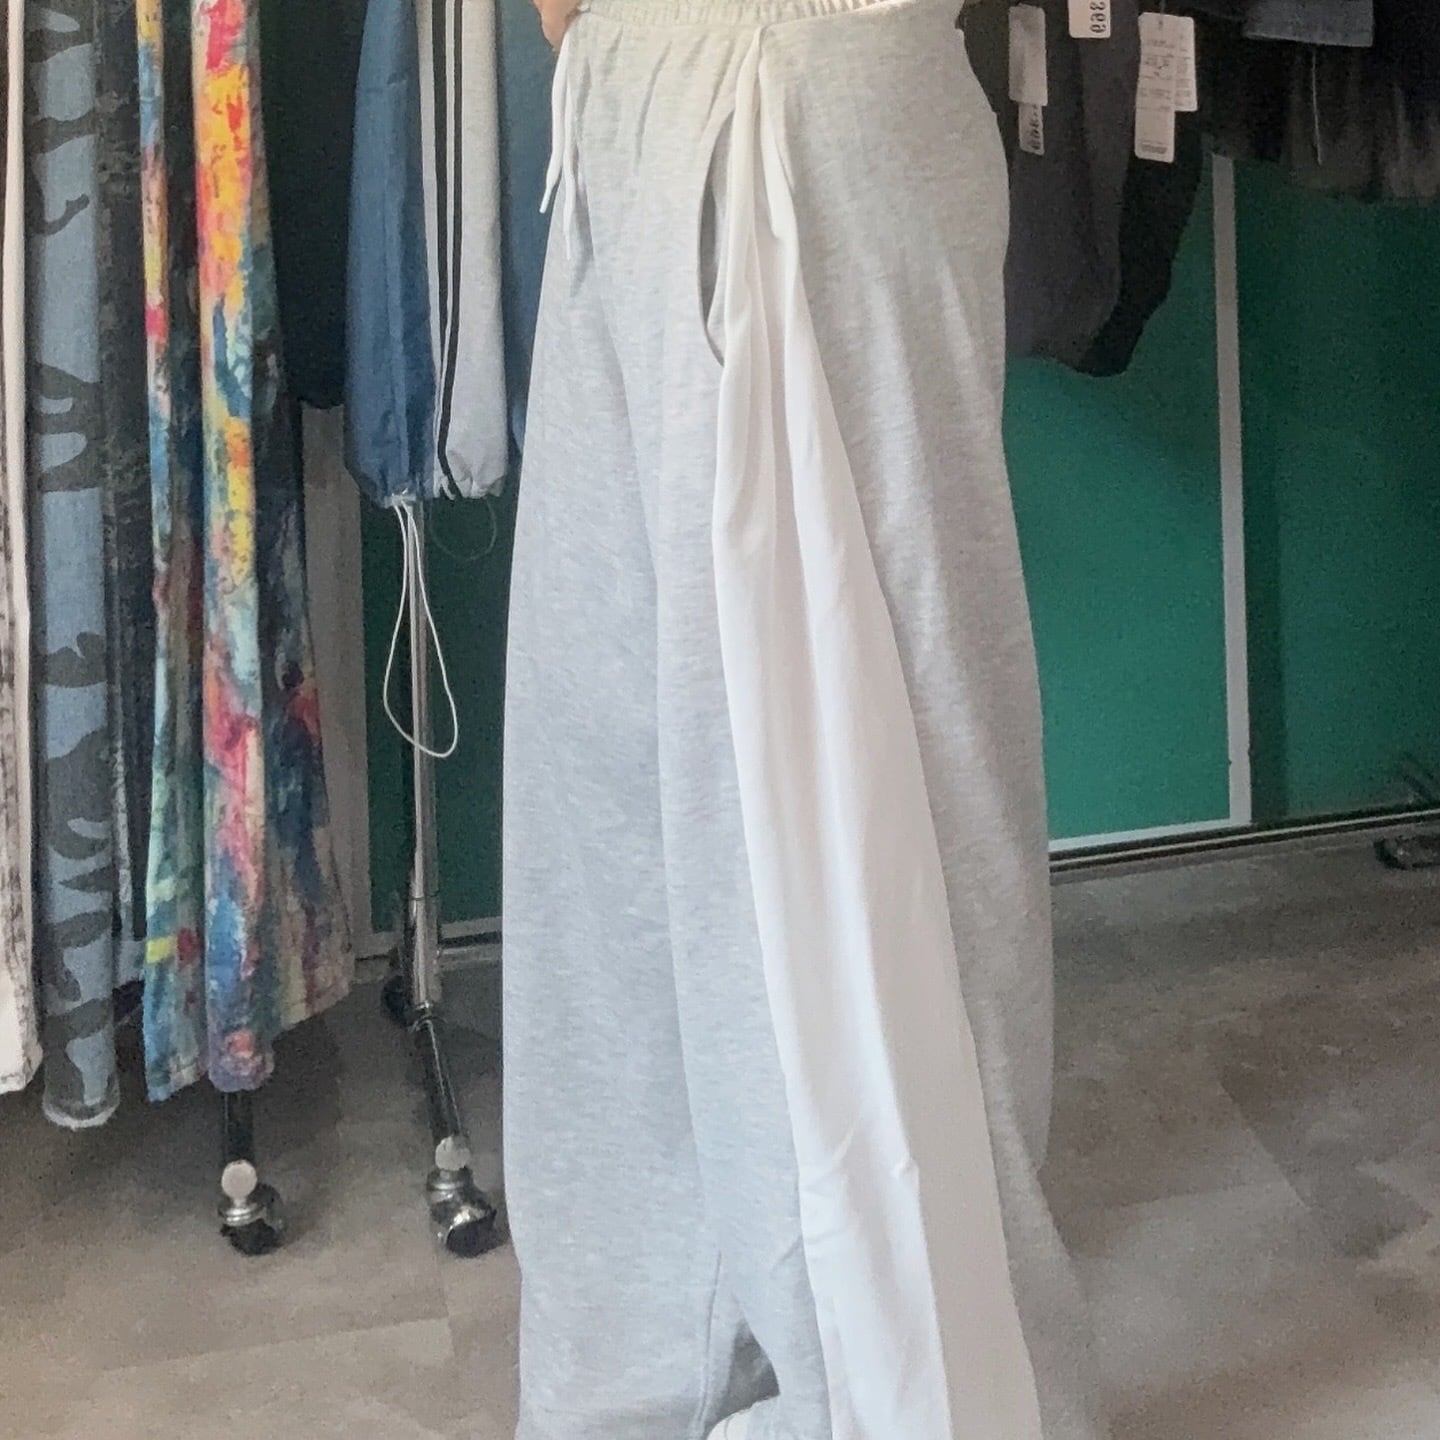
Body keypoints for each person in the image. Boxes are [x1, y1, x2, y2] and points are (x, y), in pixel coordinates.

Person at [502, 0, 1108, 1436]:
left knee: (870, 798)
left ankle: (914, 1374)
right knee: (624, 790)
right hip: (644, 99)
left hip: (797, 93)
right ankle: (669, 1372)